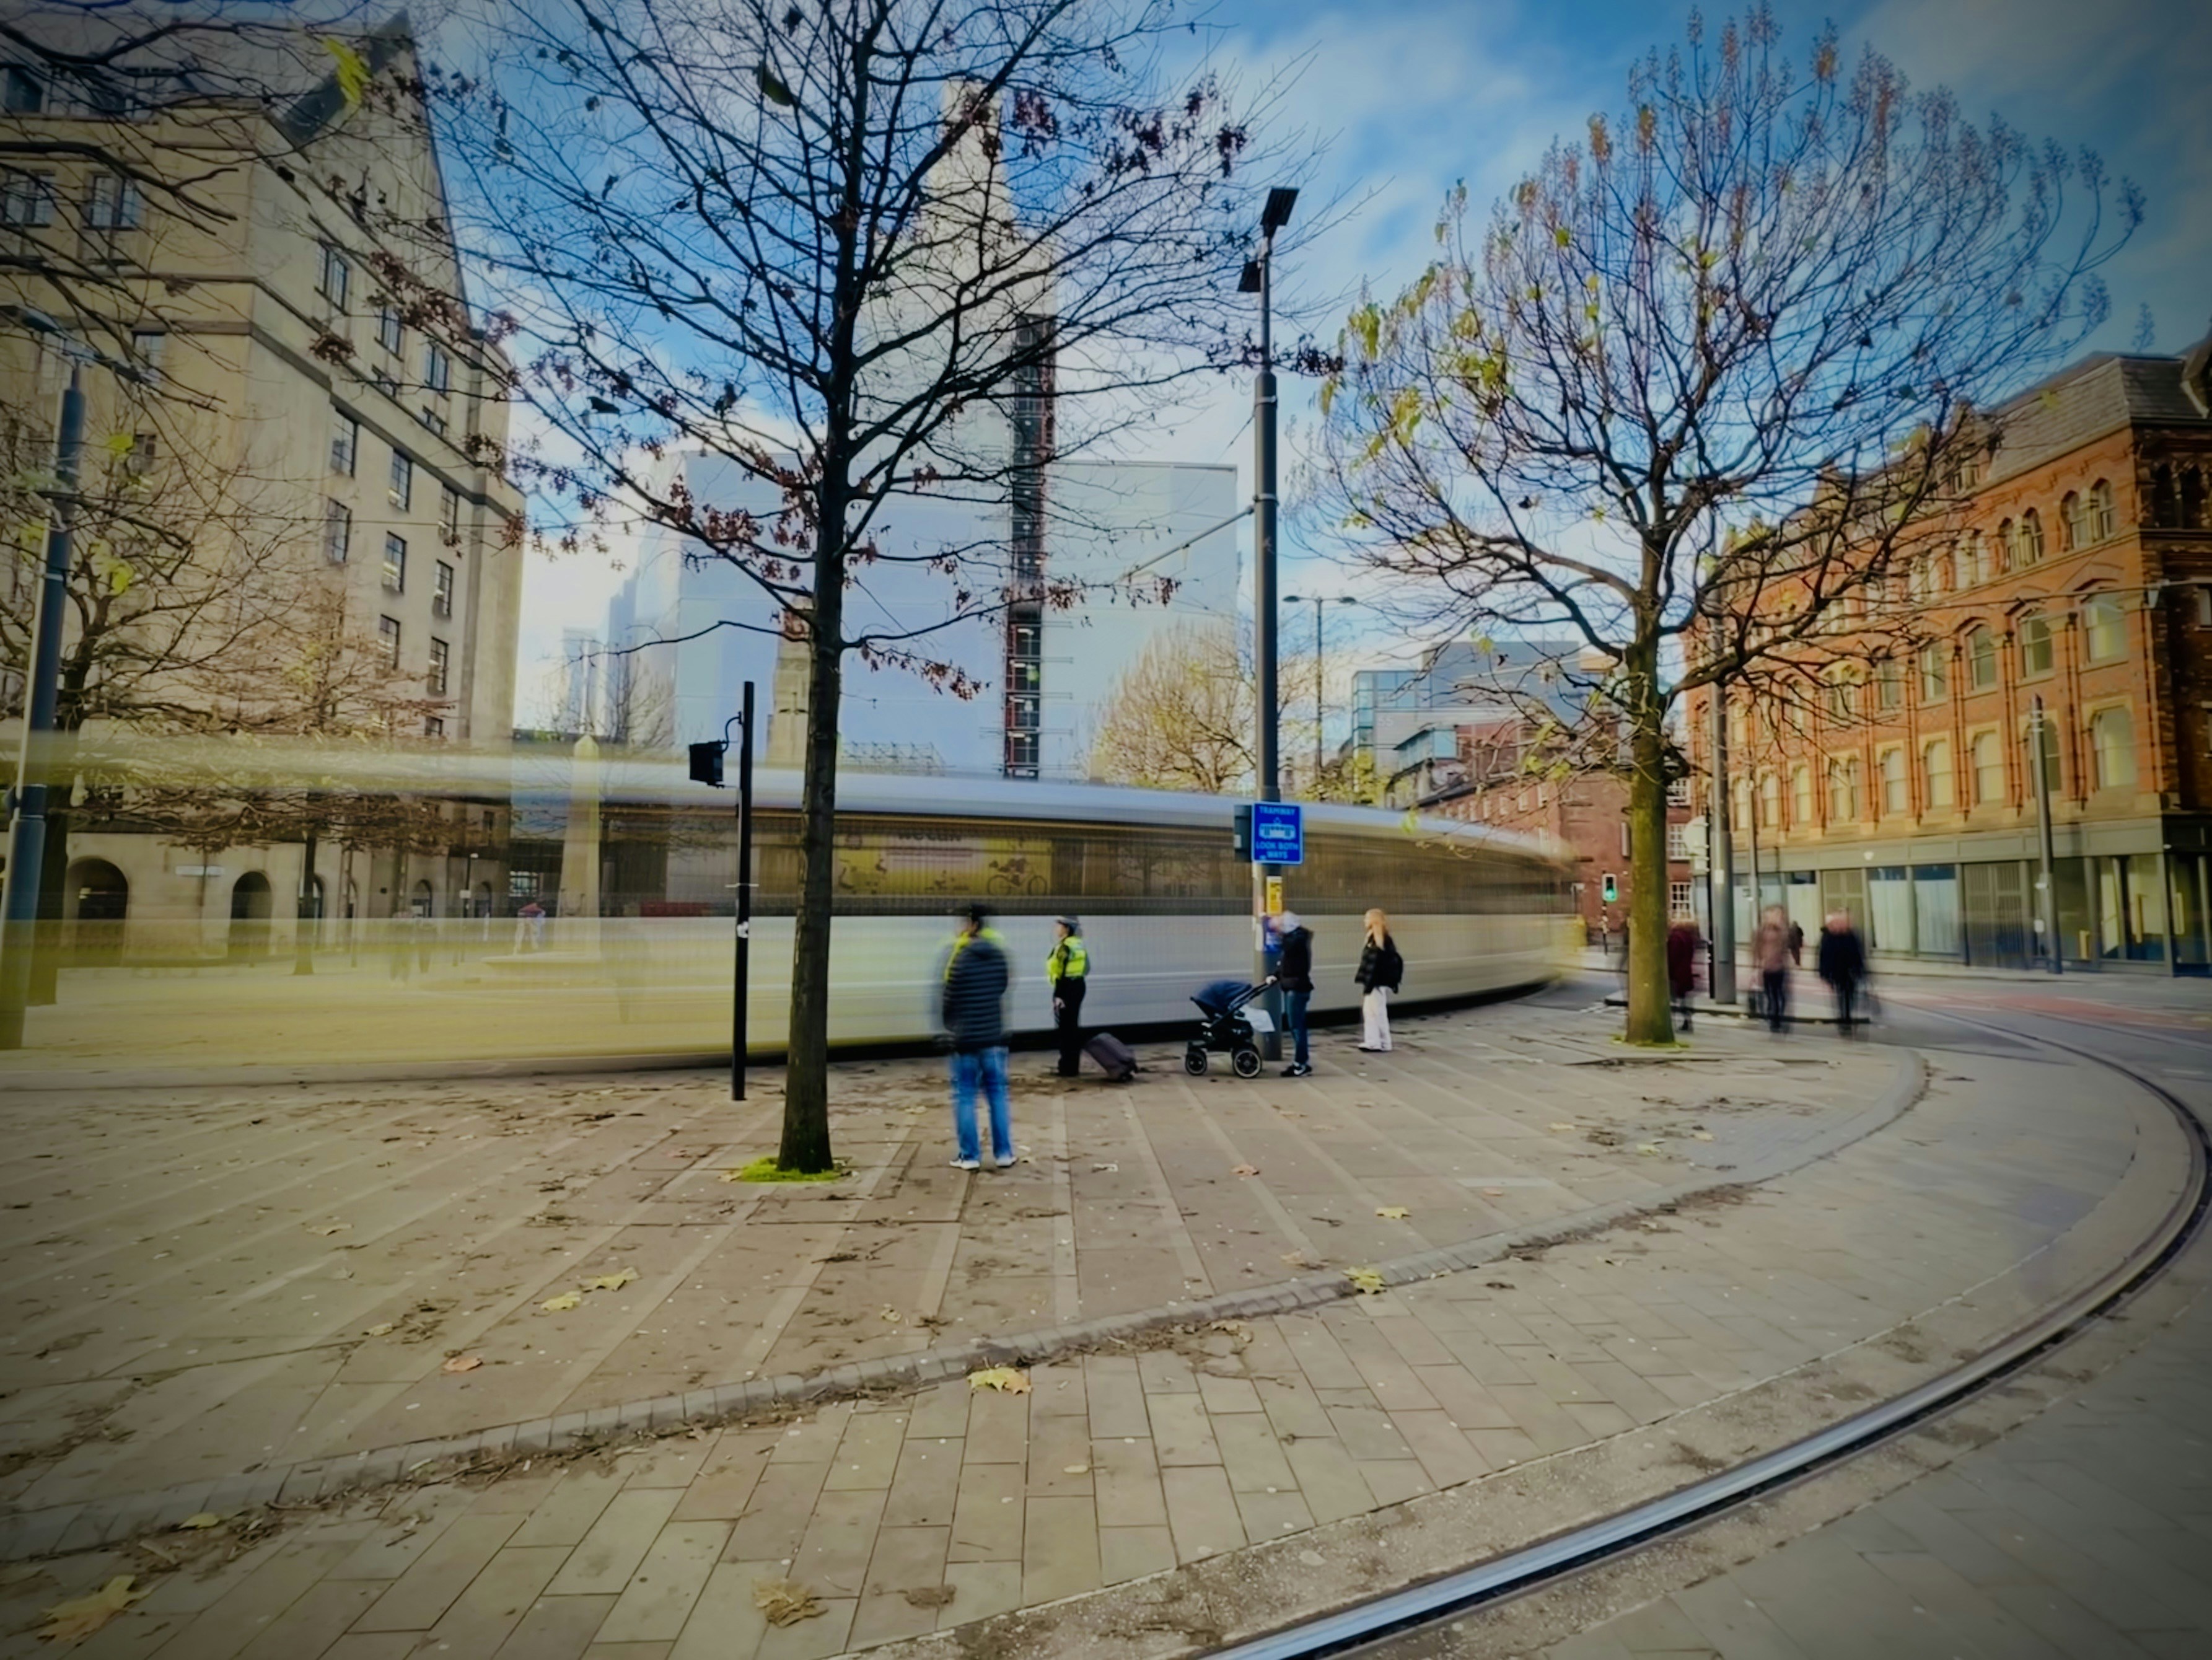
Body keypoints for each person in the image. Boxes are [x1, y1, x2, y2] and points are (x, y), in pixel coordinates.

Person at [939, 903, 1014, 1170]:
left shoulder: (960, 957)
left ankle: (969, 1156)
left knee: (965, 1096)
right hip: (993, 1036)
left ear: (972, 925)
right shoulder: (999, 956)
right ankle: (1004, 1153)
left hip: (965, 1039)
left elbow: (949, 997)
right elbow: (1003, 987)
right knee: (997, 1095)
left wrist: (950, 1024)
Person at [1354, 908, 1403, 1053]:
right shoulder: (1375, 938)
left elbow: (1375, 966)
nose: (1364, 921)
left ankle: (1381, 1042)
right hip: (1375, 982)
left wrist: (1370, 983)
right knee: (1371, 1012)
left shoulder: (1381, 940)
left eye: (1367, 918)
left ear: (1373, 920)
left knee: (1377, 1013)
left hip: (1377, 983)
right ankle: (1375, 1041)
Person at [1045, 916, 1089, 1078]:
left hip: (1066, 988)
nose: (1056, 929)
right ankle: (1072, 1067)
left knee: (1065, 1029)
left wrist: (1058, 996)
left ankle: (1066, 1068)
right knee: (1072, 1027)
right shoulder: (1078, 944)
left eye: (1059, 926)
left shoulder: (1065, 947)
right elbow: (1087, 967)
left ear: (1066, 928)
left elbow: (1061, 972)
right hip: (1078, 986)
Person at [1274, 910, 1315, 1077]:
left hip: (1296, 989)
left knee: (1297, 1027)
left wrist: (1276, 930)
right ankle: (1301, 1061)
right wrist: (1276, 975)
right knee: (1297, 1027)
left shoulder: (1295, 942)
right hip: (1295, 987)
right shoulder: (1297, 940)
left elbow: (1289, 955)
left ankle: (1300, 1064)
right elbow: (1287, 964)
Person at [1816, 910, 1869, 1035]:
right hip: (1837, 972)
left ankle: (1846, 1018)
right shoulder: (1829, 936)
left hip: (1850, 972)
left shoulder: (1851, 936)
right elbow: (1824, 955)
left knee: (1849, 996)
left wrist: (1861, 970)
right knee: (1842, 996)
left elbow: (1858, 954)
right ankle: (1843, 1020)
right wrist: (1825, 973)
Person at [1753, 905, 1793, 1034]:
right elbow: (1756, 949)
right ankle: (1773, 1017)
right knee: (1770, 996)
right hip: (1767, 969)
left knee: (1779, 995)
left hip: (1780, 969)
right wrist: (1757, 964)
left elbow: (1789, 946)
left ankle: (1777, 1018)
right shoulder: (1760, 932)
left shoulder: (1783, 933)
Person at [1666, 915, 1700, 1034]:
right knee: (1684, 1000)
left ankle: (1672, 1023)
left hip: (1676, 974)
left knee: (1673, 1000)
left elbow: (1672, 957)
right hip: (1686, 972)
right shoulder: (1689, 938)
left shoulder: (1675, 938)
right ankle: (1687, 1021)